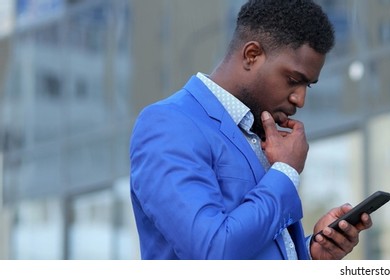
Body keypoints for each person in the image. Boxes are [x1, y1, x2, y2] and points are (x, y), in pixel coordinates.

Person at [129, 0, 372, 260]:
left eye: (307, 86)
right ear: (251, 55)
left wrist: (311, 254)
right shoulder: (169, 124)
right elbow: (212, 252)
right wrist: (285, 172)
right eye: (293, 80)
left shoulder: (256, 134)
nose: (300, 99)